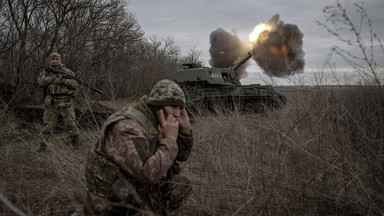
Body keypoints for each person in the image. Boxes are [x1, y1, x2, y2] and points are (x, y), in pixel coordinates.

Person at [84, 79, 193, 215]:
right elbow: (148, 173)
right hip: (109, 203)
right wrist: (170, 139)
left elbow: (181, 156)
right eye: (173, 106)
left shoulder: (157, 121)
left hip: (135, 189)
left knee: (180, 184)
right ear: (157, 106)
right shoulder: (128, 128)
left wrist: (185, 130)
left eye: (180, 107)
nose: (177, 113)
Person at [37, 52, 80, 151]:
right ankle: (42, 149)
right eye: (53, 59)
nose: (55, 61)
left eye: (57, 59)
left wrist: (63, 80)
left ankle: (75, 148)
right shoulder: (45, 72)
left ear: (60, 60)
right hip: (51, 103)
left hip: (65, 102)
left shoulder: (67, 72)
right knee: (47, 127)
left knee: (71, 125)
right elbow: (40, 83)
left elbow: (75, 85)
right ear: (50, 60)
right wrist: (53, 77)